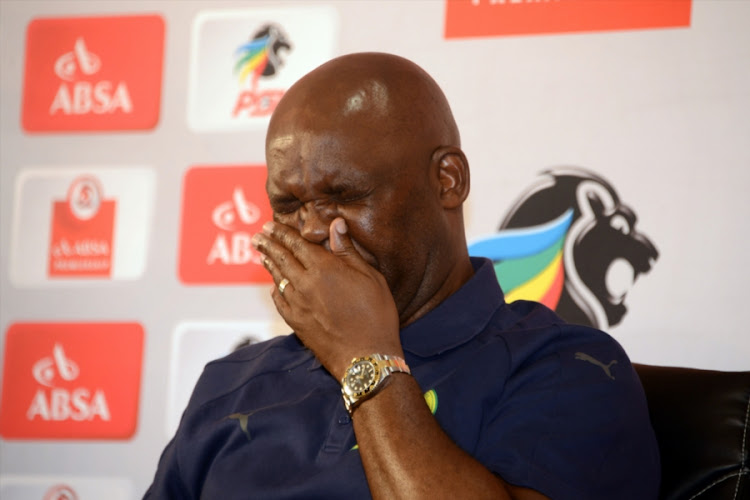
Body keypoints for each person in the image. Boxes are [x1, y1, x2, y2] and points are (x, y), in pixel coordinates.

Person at [145, 52, 660, 499]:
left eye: (344, 197)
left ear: (448, 181)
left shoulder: (568, 369)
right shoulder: (230, 382)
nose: (314, 231)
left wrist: (363, 359)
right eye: (289, 206)